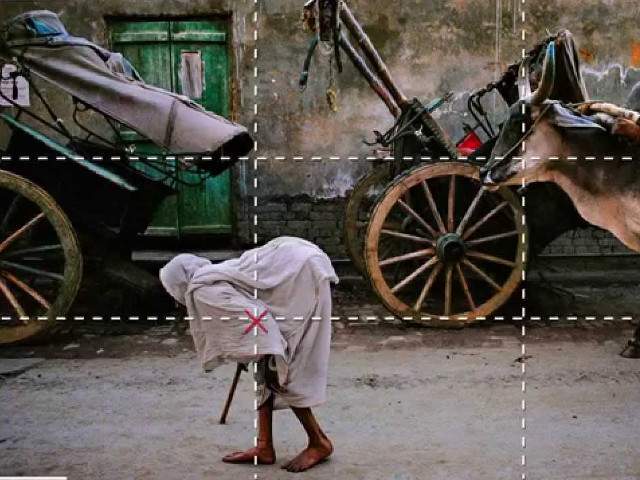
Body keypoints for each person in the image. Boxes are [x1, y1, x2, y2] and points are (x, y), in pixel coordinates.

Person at [159, 237, 338, 472]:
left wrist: (262, 350)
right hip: (300, 260)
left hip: (301, 273)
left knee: (280, 371)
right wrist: (252, 349)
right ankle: (264, 446)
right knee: (265, 366)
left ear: (177, 285)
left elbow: (260, 325)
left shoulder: (201, 290)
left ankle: (319, 442)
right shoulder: (216, 274)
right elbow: (248, 317)